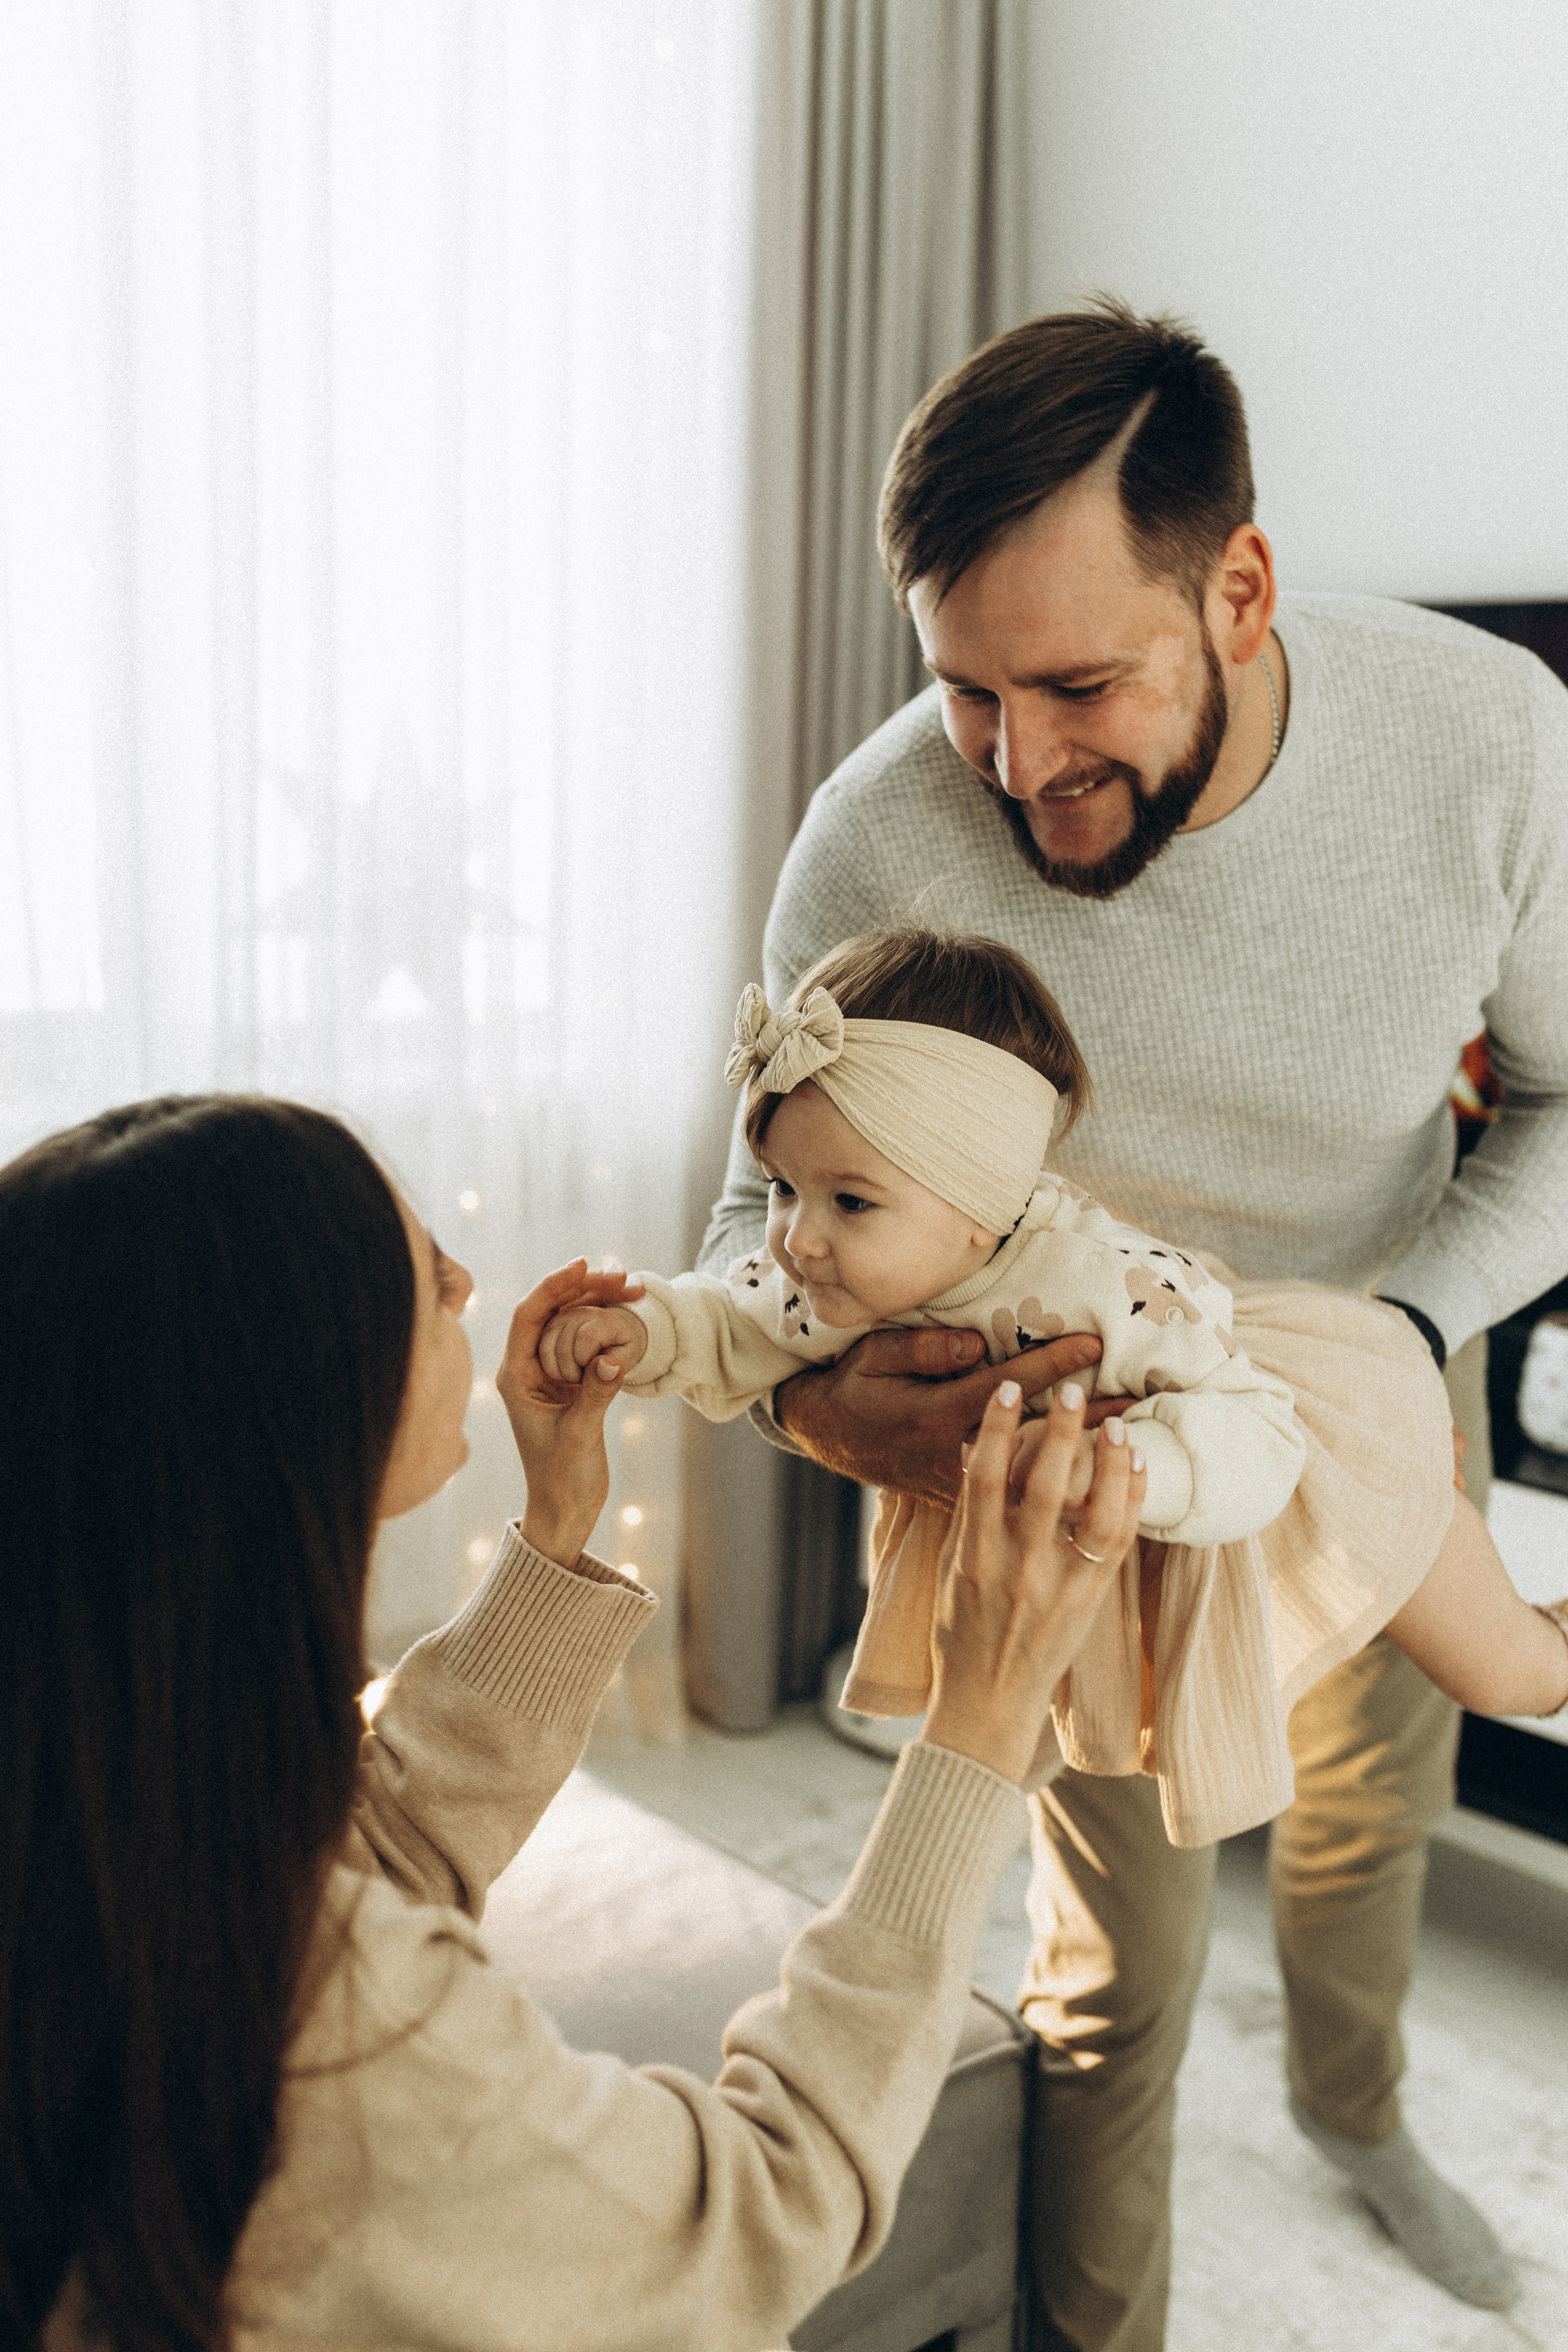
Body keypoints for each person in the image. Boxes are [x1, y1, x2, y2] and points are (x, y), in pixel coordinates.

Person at [699, 303, 1568, 2345]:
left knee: (1369, 1819)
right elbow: (748, 1227)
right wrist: (832, 1414)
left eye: (1080, 686)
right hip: (1077, 1457)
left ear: (1238, 589)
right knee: (1118, 1970)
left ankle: (1356, 2110)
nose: (1016, 766)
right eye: (965, 692)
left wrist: (1394, 1336)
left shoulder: (1493, 745)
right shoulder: (878, 836)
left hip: (1380, 1376)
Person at [2, 1091, 1147, 2352]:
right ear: (296, 1405)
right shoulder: (346, 2050)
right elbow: (753, 2216)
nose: (464, 1284)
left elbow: (374, 1857)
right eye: (424, 1272)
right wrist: (975, 1729)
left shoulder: (105, 1788)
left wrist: (555, 1528)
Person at [540, 927, 1568, 1847]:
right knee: (1057, 1763)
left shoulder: (1107, 1290)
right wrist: (642, 1329)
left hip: (1289, 1444)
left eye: (849, 1201)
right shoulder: (827, 1270)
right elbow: (732, 1319)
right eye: (782, 1186)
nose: (796, 1238)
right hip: (1093, 1544)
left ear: (980, 1206)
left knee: (1501, 1672)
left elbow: (1260, 1434)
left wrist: (1125, 1464)